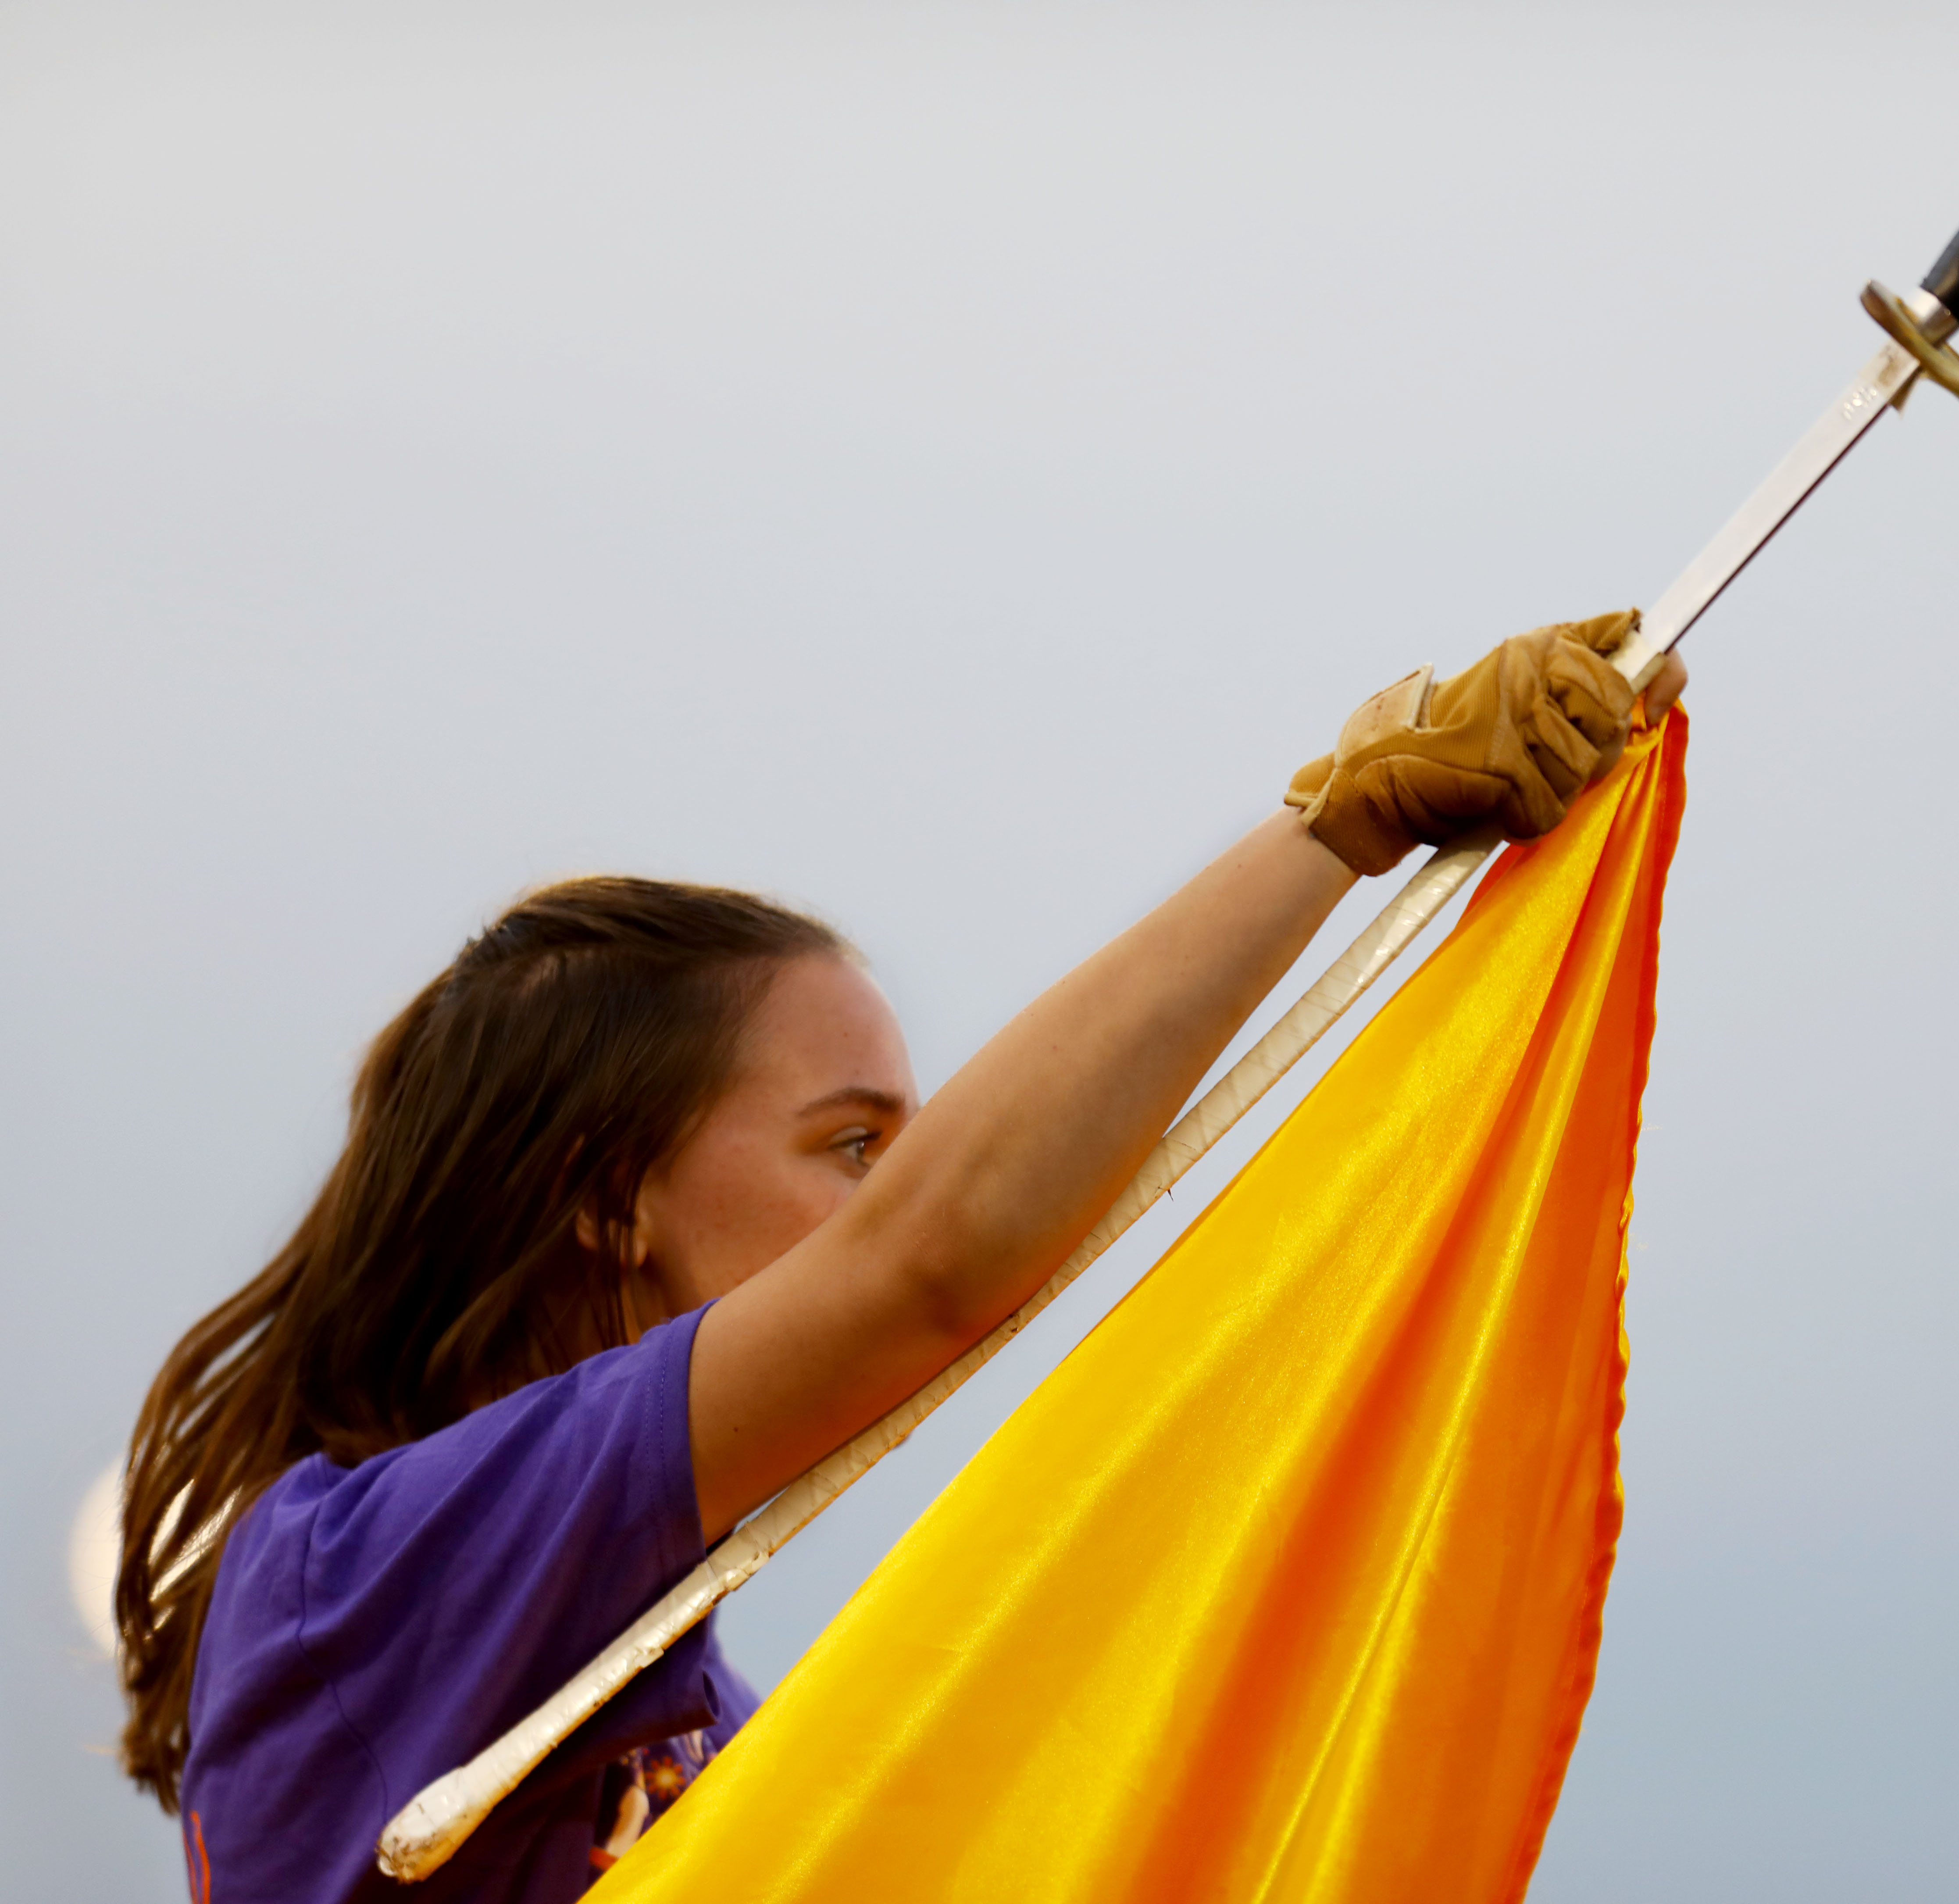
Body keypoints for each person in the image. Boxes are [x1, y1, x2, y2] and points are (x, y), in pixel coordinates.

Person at [115, 612, 1685, 1902]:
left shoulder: (708, 1718)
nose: (904, 1191)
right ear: (605, 1195)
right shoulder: (355, 1578)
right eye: (856, 1147)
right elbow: (927, 1264)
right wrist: (1344, 820)